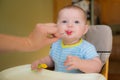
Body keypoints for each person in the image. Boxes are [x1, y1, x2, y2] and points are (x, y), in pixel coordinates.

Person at [31, 5, 102, 73]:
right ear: (57, 26)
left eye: (76, 22)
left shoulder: (86, 48)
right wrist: (41, 63)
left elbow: (97, 67)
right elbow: (52, 61)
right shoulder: (56, 44)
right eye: (64, 21)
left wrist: (81, 63)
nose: (70, 25)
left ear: (85, 29)